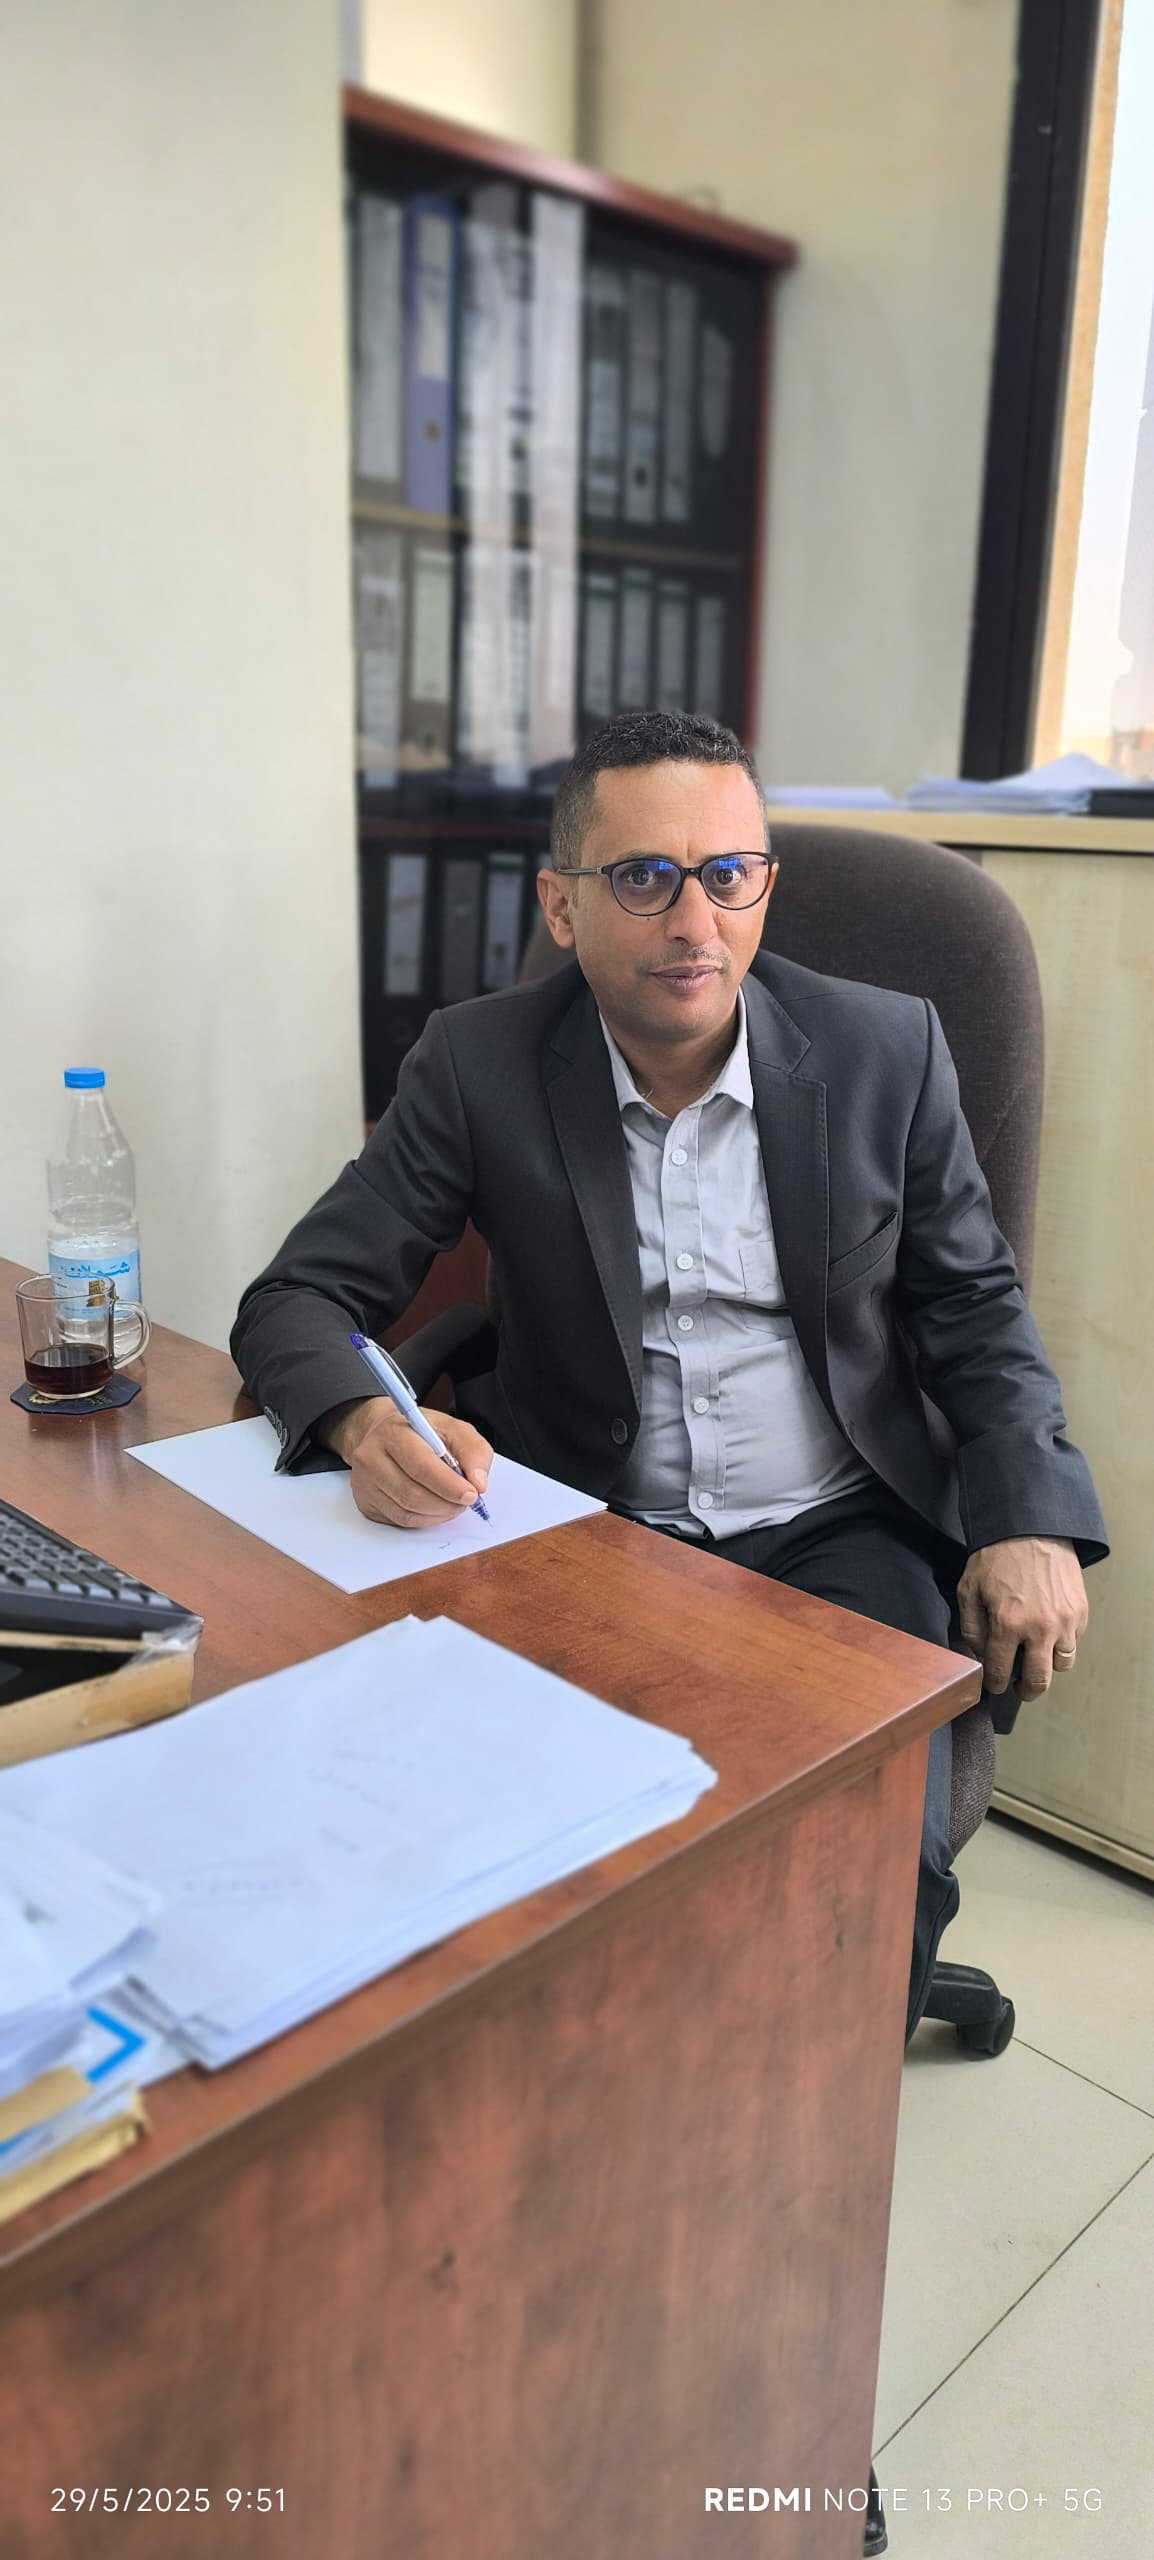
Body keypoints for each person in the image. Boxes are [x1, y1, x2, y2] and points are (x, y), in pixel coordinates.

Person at [233, 707, 1106, 2035]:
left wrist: (1026, 1517)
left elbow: (974, 1308)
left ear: (764, 886)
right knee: (485, 1858)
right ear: (563, 906)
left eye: (726, 874)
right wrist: (363, 1421)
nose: (694, 922)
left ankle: (789, 2095)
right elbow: (299, 1296)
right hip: (586, 1532)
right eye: (643, 877)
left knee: (861, 1871)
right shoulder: (478, 1064)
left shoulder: (885, 1051)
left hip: (839, 1530)